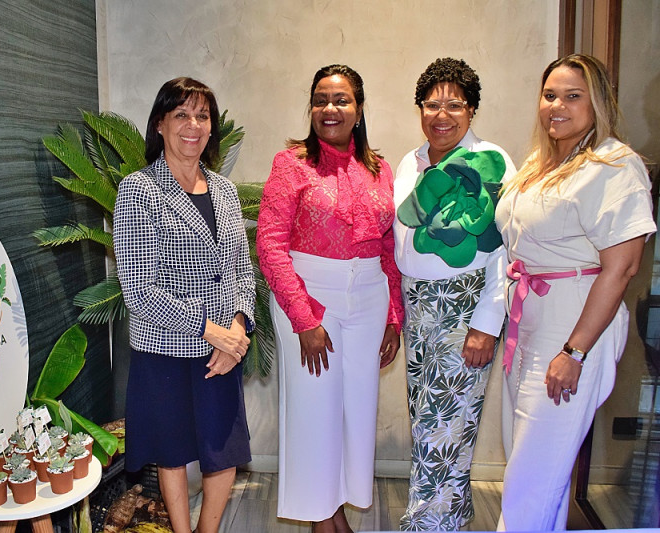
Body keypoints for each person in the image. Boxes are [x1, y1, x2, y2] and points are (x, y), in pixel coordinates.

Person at [495, 54, 656, 531]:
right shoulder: (541, 163)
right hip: (527, 323)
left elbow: (622, 268)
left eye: (572, 96)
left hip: (574, 324)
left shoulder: (614, 166)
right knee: (531, 466)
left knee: (532, 477)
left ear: (598, 102)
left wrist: (575, 351)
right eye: (549, 95)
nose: (556, 106)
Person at [257, 64, 404, 533]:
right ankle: (324, 520)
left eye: (341, 100)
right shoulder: (292, 163)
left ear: (359, 109)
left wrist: (394, 317)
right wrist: (303, 319)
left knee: (356, 410)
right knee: (314, 411)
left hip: (369, 298)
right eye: (320, 99)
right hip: (309, 294)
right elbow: (270, 244)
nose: (329, 109)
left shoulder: (380, 169)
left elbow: (388, 247)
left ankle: (337, 512)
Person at [113, 77, 255, 533]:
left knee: (223, 450)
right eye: (181, 115)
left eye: (202, 115)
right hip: (166, 350)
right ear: (160, 124)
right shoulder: (139, 191)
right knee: (172, 452)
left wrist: (238, 329)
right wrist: (211, 329)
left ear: (211, 127)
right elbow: (140, 290)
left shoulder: (225, 191)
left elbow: (240, 269)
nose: (193, 125)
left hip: (223, 351)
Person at [394, 57, 517, 531]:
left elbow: (505, 253)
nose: (441, 115)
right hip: (419, 308)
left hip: (463, 308)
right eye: (431, 104)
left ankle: (428, 525)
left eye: (454, 105)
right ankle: (451, 517)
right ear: (419, 109)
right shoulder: (411, 160)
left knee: (443, 425)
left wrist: (486, 325)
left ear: (472, 110)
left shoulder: (493, 161)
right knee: (433, 423)